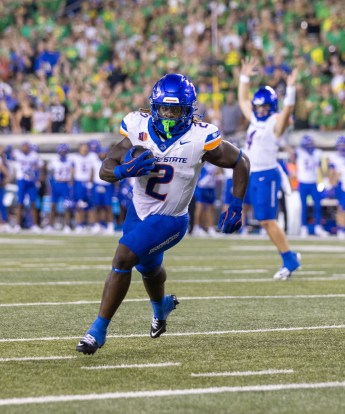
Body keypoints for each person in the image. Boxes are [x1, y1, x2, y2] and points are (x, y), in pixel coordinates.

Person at [76, 73, 250, 355]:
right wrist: (123, 171)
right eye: (165, 108)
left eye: (176, 109)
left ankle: (97, 331)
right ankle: (162, 308)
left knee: (123, 258)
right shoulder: (138, 125)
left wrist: (237, 203)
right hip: (138, 212)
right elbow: (105, 167)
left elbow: (241, 161)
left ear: (189, 110)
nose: (169, 115)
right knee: (149, 269)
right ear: (154, 107)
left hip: (171, 219)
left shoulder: (200, 136)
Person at [237, 56, 301, 280]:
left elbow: (286, 113)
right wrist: (244, 77)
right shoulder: (255, 119)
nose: (260, 110)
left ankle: (289, 259)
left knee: (267, 219)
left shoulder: (275, 121)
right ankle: (289, 256)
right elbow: (243, 100)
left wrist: (291, 90)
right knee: (263, 220)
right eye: (259, 106)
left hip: (267, 174)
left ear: (271, 106)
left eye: (264, 106)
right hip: (253, 173)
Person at [296, 134, 328, 237]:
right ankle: (303, 227)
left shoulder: (317, 153)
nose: (310, 146)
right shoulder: (299, 152)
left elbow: (321, 166)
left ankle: (318, 227)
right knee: (304, 206)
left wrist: (324, 176)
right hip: (302, 182)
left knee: (318, 205)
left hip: (313, 182)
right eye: (307, 144)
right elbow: (291, 154)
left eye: (311, 144)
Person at [47, 144, 73, 232]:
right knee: (53, 205)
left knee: (67, 206)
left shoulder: (70, 161)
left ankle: (67, 225)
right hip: (56, 184)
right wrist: (51, 185)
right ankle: (50, 225)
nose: (62, 153)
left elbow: (72, 173)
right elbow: (50, 174)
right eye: (61, 151)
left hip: (65, 184)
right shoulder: (54, 161)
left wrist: (71, 184)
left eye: (64, 151)